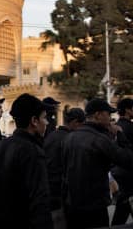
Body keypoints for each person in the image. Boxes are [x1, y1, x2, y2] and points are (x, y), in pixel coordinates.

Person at [0, 93, 53, 229]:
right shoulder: (33, 152)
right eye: (44, 117)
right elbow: (39, 203)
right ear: (34, 120)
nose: (47, 122)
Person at [61, 98, 133, 229]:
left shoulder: (70, 137)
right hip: (94, 206)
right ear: (98, 115)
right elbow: (128, 160)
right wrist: (120, 135)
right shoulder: (99, 139)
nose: (110, 118)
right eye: (108, 114)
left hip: (73, 205)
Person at [43, 108, 85, 212]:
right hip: (62, 191)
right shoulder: (70, 139)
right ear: (75, 122)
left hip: (49, 187)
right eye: (82, 125)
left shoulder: (51, 135)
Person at [111, 98, 133, 225]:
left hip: (118, 171)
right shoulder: (129, 127)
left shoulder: (117, 126)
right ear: (128, 110)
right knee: (125, 200)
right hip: (129, 171)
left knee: (124, 202)